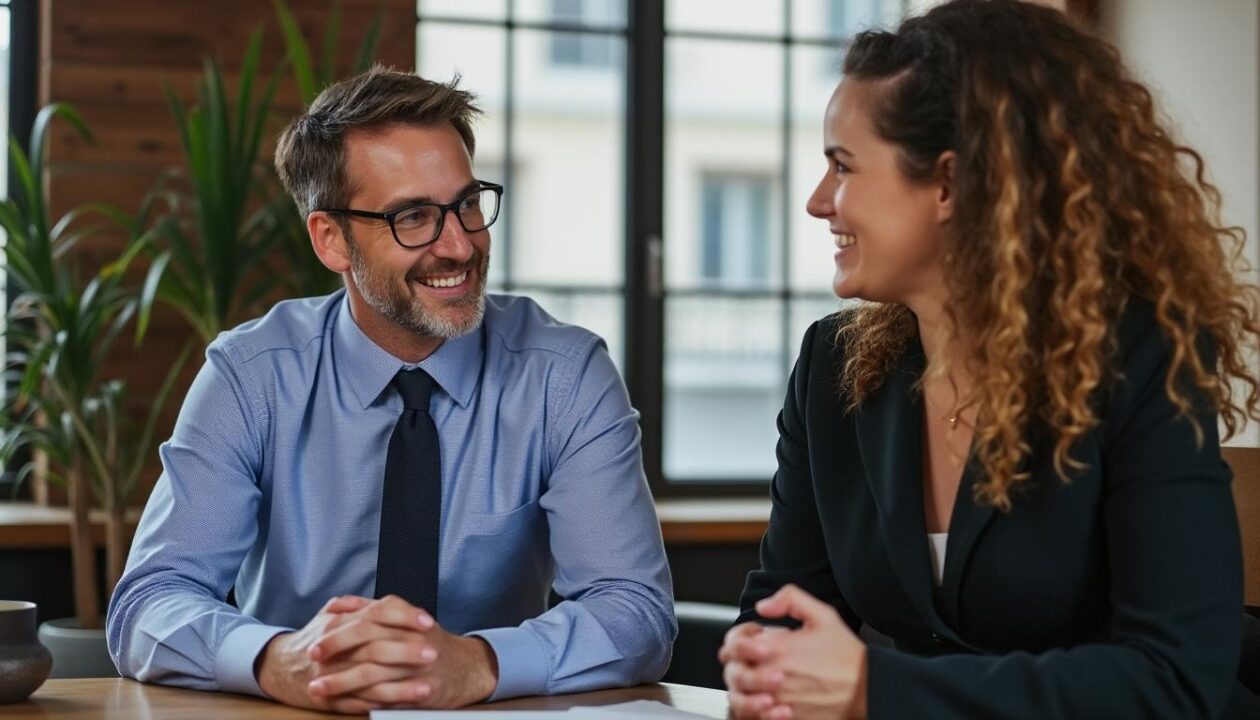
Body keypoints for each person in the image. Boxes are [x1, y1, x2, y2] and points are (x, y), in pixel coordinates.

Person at [718, 1, 1260, 718]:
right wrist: (764, 665)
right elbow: (782, 613)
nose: (820, 202)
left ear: (949, 184)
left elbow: (1174, 678)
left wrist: (878, 690)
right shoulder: (833, 365)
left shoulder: (1141, 357)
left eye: (842, 167)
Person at [107, 66, 675, 714]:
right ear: (331, 240)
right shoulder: (252, 375)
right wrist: (279, 660)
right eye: (414, 217)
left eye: (467, 204)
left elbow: (636, 611)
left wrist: (479, 664)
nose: (459, 245)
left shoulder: (564, 376)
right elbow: (150, 601)